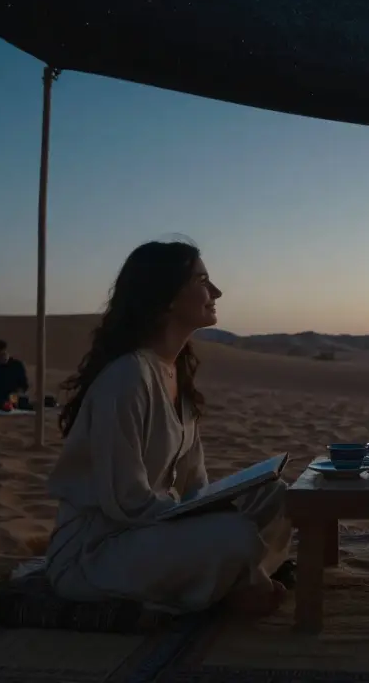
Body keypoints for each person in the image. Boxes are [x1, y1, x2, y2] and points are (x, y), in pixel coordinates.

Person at [44, 240, 292, 617]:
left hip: (157, 530)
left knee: (278, 496)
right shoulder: (128, 377)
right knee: (235, 536)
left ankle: (235, 581)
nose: (216, 292)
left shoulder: (177, 376)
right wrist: (209, 518)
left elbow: (194, 485)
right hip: (99, 550)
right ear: (169, 296)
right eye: (202, 281)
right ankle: (237, 582)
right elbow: (127, 501)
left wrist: (215, 503)